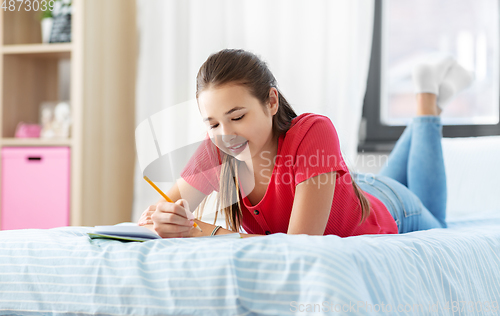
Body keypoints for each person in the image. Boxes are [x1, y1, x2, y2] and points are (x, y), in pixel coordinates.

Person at [138, 49, 473, 238]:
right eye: (212, 123)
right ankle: (429, 103)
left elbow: (299, 245)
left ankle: (427, 96)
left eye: (237, 117)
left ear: (271, 102)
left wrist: (201, 232)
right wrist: (166, 216)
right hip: (347, 187)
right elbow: (158, 213)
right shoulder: (218, 147)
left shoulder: (313, 130)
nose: (226, 134)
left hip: (388, 207)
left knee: (441, 228)